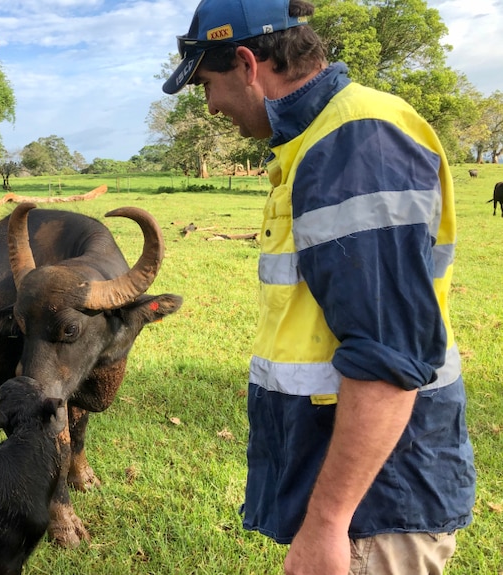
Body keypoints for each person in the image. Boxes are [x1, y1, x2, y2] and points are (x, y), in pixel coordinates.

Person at [163, 1, 476, 573]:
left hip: (378, 506)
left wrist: (328, 522)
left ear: (246, 62)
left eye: (208, 85)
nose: (210, 106)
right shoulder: (320, 139)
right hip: (362, 485)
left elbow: (389, 355)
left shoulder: (354, 143)